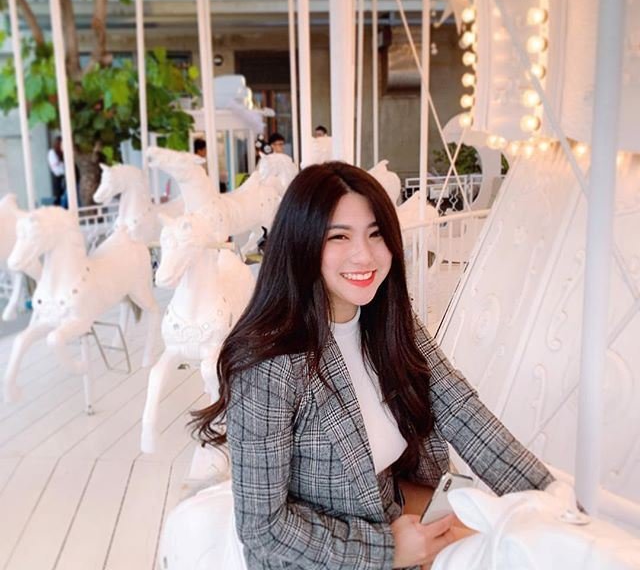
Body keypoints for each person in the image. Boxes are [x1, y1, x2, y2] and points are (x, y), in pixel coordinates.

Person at [193, 162, 554, 570]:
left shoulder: (388, 321)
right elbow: (264, 529)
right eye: (339, 236)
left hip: (396, 509)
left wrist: (547, 498)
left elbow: (461, 411)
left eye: (376, 233)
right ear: (302, 244)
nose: (364, 254)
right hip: (323, 555)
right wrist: (387, 550)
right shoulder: (269, 364)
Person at [47, 136, 66, 206]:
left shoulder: (62, 153)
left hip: (64, 176)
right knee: (58, 196)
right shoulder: (52, 152)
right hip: (58, 177)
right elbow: (56, 168)